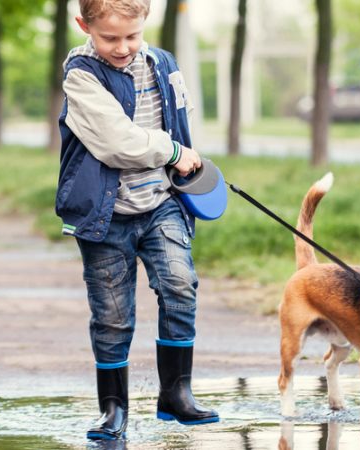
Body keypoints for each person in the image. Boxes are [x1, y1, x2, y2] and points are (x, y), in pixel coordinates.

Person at [56, 0, 219, 441]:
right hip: (105, 212)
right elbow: (116, 143)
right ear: (83, 26)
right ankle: (113, 409)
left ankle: (176, 393)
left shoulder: (164, 62)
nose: (123, 47)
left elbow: (179, 120)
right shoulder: (81, 75)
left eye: (133, 35)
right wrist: (173, 152)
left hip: (161, 200)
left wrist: (191, 165)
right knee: (112, 313)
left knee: (180, 284)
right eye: (110, 37)